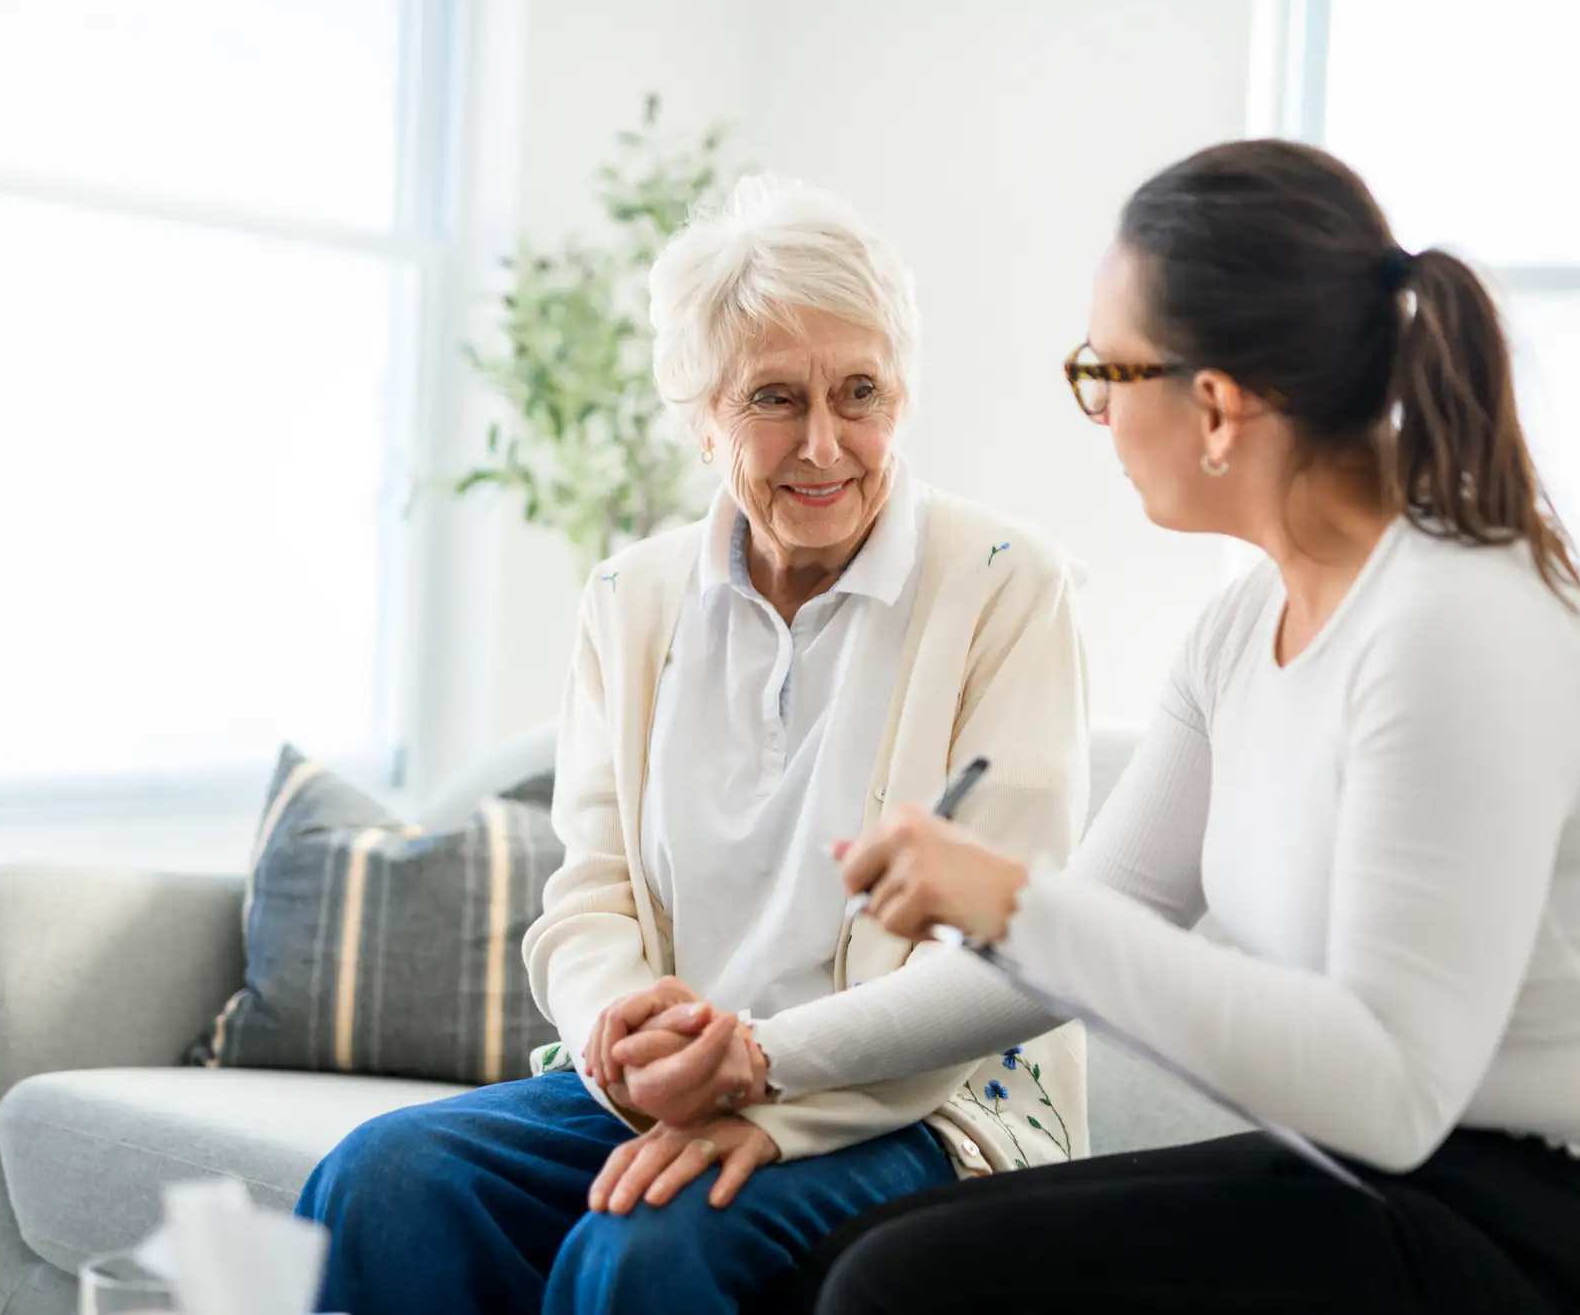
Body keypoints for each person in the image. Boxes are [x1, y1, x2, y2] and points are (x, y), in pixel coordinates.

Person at [777, 140, 1580, 1314]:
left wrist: (1012, 902)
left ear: (1216, 406)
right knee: (843, 1262)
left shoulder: (1456, 629)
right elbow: (1088, 937)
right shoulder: (1244, 628)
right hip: (1391, 1178)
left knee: (898, 1289)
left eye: (1105, 369)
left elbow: (1389, 1083)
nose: (1094, 410)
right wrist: (760, 1057)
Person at [293, 175, 1090, 1315]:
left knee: (648, 1252)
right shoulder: (631, 596)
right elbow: (590, 894)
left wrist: (768, 1090)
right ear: (698, 414)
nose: (823, 443)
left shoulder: (1007, 584)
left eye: (857, 391)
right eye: (773, 397)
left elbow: (1000, 956)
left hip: (922, 1101)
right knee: (382, 1179)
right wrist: (619, 1037)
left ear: (900, 396)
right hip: (667, 1087)